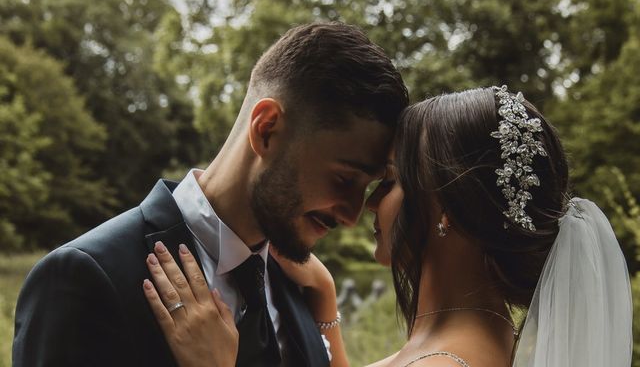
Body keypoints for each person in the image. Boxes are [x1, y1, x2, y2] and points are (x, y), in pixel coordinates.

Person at [144, 86, 633, 366]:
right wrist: (327, 307)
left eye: (393, 182)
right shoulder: (476, 338)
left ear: (448, 209)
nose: (369, 204)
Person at [12, 22, 409, 367]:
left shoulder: (299, 279)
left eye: (368, 187)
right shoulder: (85, 278)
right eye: (343, 179)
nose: (351, 217)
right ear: (267, 129)